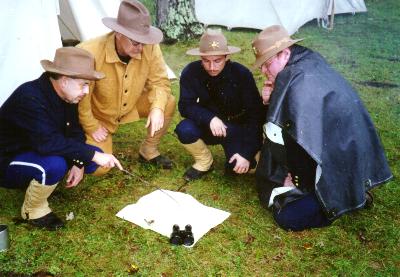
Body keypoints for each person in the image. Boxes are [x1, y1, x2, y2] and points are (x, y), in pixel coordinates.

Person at [252, 25, 393, 231]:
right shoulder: (307, 61)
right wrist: (272, 98)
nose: (264, 72)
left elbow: (299, 138)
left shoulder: (297, 81)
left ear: (285, 53)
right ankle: (355, 191)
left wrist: (298, 181)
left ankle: (346, 201)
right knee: (271, 181)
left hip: (334, 164)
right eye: (261, 66)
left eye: (268, 64)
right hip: (345, 152)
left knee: (286, 217)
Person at [0, 47, 123, 230]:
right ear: (64, 81)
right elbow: (48, 143)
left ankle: (42, 182)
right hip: (8, 158)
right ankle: (33, 210)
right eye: (83, 84)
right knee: (55, 165)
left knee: (92, 155)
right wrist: (89, 156)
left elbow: (74, 132)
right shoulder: (30, 97)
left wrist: (79, 162)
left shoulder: (67, 95)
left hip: (37, 148)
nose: (86, 91)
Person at [77, 0, 175, 175]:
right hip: (100, 118)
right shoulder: (89, 52)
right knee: (100, 168)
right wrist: (91, 125)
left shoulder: (149, 47)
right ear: (118, 33)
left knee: (167, 102)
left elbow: (160, 81)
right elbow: (80, 95)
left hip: (131, 107)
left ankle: (149, 151)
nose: (141, 47)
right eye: (136, 42)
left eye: (144, 42)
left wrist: (158, 108)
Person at [175, 29, 265, 181]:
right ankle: (204, 162)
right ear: (200, 57)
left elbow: (255, 115)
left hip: (237, 127)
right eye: (206, 61)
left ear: (227, 56)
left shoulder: (242, 74)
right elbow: (185, 105)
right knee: (185, 129)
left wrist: (247, 153)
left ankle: (258, 154)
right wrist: (209, 118)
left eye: (217, 61)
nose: (211, 67)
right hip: (210, 126)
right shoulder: (191, 72)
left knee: (239, 169)